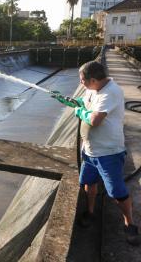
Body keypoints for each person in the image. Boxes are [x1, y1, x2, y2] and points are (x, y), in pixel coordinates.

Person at [52, 60, 140, 245]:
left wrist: (78, 112)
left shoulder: (112, 92)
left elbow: (94, 119)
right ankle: (91, 212)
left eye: (82, 80)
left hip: (108, 152)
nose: (80, 82)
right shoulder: (93, 89)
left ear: (93, 79)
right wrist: (69, 101)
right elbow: (84, 104)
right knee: (88, 183)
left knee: (117, 191)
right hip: (90, 151)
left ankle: (129, 223)